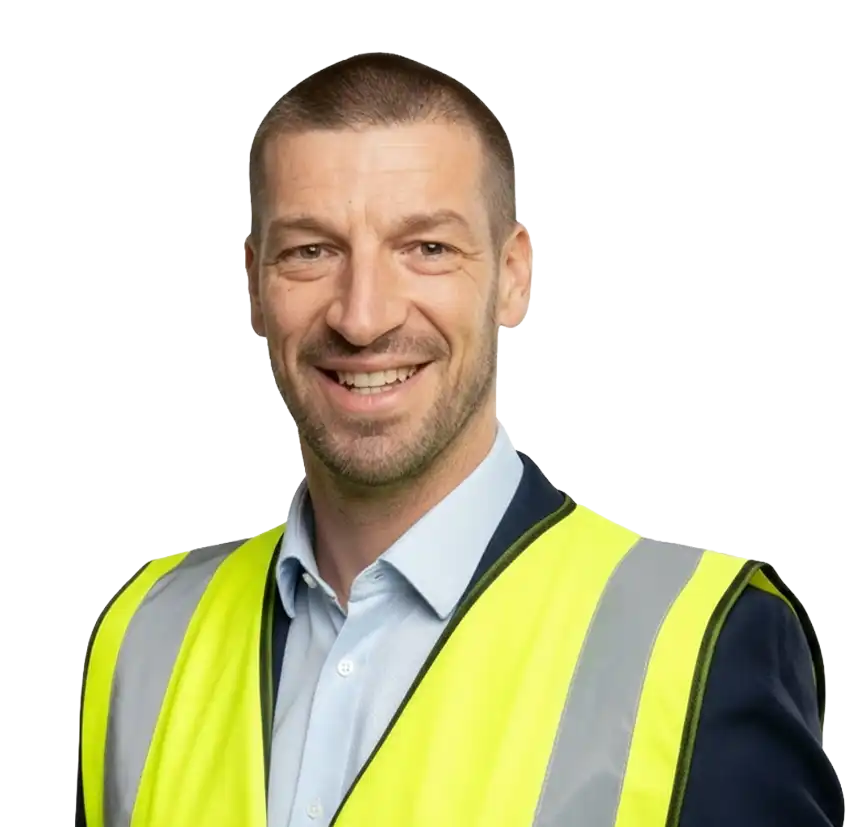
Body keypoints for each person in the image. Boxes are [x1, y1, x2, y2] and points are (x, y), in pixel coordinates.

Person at [73, 50, 846, 827]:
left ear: (513, 275)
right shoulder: (143, 636)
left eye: (427, 248)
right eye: (311, 250)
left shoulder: (703, 643)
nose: (363, 315)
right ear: (253, 283)